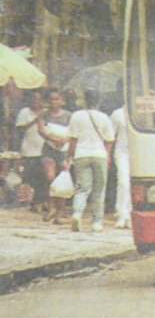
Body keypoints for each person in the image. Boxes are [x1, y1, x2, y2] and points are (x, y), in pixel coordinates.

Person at [65, 88, 114, 232]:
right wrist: (108, 156)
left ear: (85, 100)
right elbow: (109, 140)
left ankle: (77, 214)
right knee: (99, 190)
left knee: (81, 188)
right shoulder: (104, 117)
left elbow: (73, 139)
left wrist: (69, 156)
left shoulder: (76, 115)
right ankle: (96, 222)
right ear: (99, 101)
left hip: (81, 155)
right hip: (100, 155)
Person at [38, 87, 71, 224]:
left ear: (62, 101)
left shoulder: (69, 115)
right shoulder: (44, 115)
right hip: (49, 150)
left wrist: (65, 139)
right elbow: (41, 130)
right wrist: (53, 139)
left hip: (64, 151)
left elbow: (74, 132)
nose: (54, 102)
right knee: (50, 178)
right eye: (51, 99)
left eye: (57, 99)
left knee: (62, 182)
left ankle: (59, 213)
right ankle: (50, 207)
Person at [15, 90, 45, 211]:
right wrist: (34, 121)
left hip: (42, 148)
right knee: (29, 176)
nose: (37, 102)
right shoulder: (24, 112)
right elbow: (20, 128)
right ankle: (29, 201)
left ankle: (40, 201)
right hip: (29, 149)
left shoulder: (44, 113)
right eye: (35, 99)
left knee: (41, 177)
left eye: (39, 100)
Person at [110, 80, 131, 228]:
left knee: (132, 182)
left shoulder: (143, 113)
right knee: (123, 181)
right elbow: (111, 136)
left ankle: (129, 213)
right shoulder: (117, 114)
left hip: (138, 152)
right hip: (122, 151)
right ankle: (122, 213)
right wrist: (108, 156)